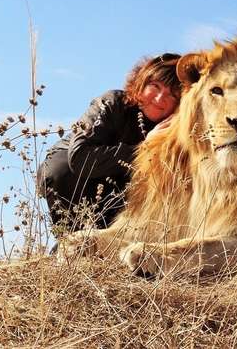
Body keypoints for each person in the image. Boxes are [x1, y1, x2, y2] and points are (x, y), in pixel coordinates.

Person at [36, 53, 181, 235]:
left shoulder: (176, 129)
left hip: (118, 196)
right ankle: (68, 241)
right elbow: (81, 158)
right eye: (155, 86)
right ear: (141, 81)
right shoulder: (113, 102)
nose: (160, 99)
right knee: (61, 169)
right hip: (75, 177)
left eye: (172, 95)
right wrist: (144, 148)